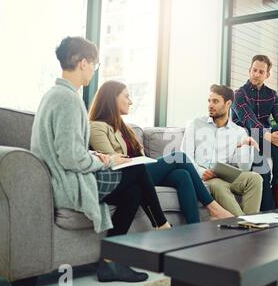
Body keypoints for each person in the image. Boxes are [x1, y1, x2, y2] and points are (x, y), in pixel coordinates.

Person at [31, 37, 167, 284]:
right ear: (83, 63)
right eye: (94, 65)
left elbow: (66, 149)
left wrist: (95, 155)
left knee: (134, 192)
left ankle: (109, 262)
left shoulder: (53, 95)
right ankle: (163, 228)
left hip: (62, 178)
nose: (94, 71)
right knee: (137, 172)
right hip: (69, 184)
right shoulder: (69, 100)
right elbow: (71, 158)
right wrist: (104, 162)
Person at [89, 81, 234, 222]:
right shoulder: (97, 126)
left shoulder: (126, 128)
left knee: (181, 175)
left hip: (142, 173)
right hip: (125, 176)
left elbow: (140, 156)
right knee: (179, 157)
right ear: (112, 98)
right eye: (126, 96)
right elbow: (112, 161)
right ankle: (214, 208)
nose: (131, 101)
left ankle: (193, 231)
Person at [181, 84, 263, 216]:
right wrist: (201, 172)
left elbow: (244, 167)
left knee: (256, 179)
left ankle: (249, 223)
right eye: (209, 101)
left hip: (229, 176)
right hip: (207, 177)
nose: (210, 105)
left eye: (215, 101)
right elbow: (185, 156)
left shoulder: (239, 132)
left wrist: (244, 145)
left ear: (228, 103)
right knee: (218, 185)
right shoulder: (195, 124)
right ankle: (245, 224)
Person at [232, 55, 278, 210]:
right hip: (246, 141)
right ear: (249, 71)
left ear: (267, 75)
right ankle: (269, 215)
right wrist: (268, 136)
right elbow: (248, 119)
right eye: (254, 70)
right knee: (263, 172)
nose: (256, 74)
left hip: (266, 140)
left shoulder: (272, 95)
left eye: (261, 72)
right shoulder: (238, 94)